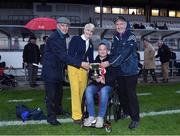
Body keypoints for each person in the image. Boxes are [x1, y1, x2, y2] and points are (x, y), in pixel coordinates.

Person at [42, 17, 90, 126]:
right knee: (51, 96)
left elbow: (62, 56)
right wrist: (80, 63)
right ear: (58, 26)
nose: (65, 28)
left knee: (59, 93)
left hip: (58, 71)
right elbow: (63, 56)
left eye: (67, 26)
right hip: (50, 71)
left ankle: (58, 110)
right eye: (63, 25)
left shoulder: (61, 37)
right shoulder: (54, 38)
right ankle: (51, 117)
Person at [101, 16, 140, 129]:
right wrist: (104, 61)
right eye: (117, 24)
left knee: (131, 95)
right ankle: (126, 111)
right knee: (122, 95)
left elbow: (125, 54)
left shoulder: (131, 36)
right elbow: (113, 53)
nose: (119, 26)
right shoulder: (115, 37)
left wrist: (109, 62)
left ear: (126, 24)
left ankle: (135, 119)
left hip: (130, 72)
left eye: (121, 24)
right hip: (119, 72)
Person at [83, 40, 116, 128]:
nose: (102, 51)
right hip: (97, 84)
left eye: (104, 49)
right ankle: (91, 116)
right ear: (98, 51)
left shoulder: (111, 61)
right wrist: (95, 78)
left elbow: (114, 76)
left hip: (107, 85)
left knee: (104, 91)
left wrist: (104, 80)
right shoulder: (95, 61)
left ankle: (100, 117)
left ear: (107, 50)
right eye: (100, 49)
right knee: (88, 90)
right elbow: (91, 75)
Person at [68, 23, 95, 124]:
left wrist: (95, 67)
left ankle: (83, 112)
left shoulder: (90, 43)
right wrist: (81, 63)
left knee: (83, 92)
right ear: (84, 30)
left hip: (84, 69)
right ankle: (76, 116)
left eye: (91, 31)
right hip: (73, 67)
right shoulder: (75, 39)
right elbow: (70, 56)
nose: (89, 33)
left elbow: (91, 59)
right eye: (88, 30)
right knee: (75, 92)